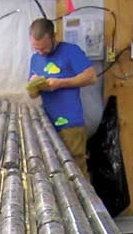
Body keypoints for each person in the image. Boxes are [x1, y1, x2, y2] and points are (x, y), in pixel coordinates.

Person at [28, 17, 96, 178]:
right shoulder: (35, 59)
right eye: (36, 48)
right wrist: (34, 85)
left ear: (54, 36)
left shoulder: (71, 51)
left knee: (76, 172)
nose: (40, 52)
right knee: (55, 174)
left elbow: (91, 77)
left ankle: (84, 203)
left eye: (43, 48)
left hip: (70, 125)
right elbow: (33, 95)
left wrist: (61, 83)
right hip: (48, 125)